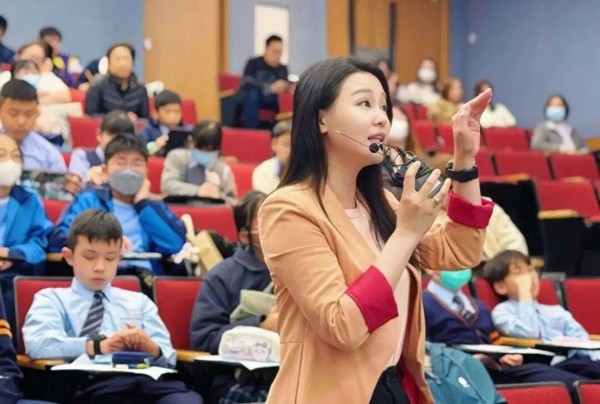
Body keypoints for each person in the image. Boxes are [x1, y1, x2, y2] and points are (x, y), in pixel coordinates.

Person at [257, 57, 495, 403]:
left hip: (393, 387)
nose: (382, 117)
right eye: (364, 103)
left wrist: (465, 160)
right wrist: (406, 234)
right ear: (321, 119)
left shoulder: (379, 202)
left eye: (384, 106)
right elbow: (342, 326)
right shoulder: (288, 210)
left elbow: (462, 250)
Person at [23, 209, 203, 403]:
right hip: (92, 385)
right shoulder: (52, 299)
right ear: (69, 256)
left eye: (110, 258)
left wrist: (150, 347)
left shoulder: (139, 301)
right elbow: (38, 344)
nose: (100, 267)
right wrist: (98, 346)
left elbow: (169, 357)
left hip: (146, 382)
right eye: (90, 257)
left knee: (187, 400)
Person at [423, 268, 587, 388]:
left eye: (462, 261)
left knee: (579, 380)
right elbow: (422, 350)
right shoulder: (419, 303)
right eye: (451, 261)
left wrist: (507, 356)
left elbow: (495, 341)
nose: (459, 267)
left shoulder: (479, 306)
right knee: (564, 384)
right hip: (457, 369)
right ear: (430, 268)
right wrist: (472, 359)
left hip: (499, 367)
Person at [49, 133, 186, 277]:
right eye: (120, 163)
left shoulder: (155, 206)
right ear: (106, 169)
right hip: (98, 274)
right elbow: (60, 238)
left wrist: (143, 204)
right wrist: (108, 242)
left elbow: (175, 245)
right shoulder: (89, 199)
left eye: (137, 164)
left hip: (144, 277)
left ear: (146, 171)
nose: (129, 170)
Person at [190, 191, 274, 402]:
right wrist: (261, 326)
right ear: (245, 237)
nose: (277, 227)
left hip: (294, 372)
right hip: (238, 378)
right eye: (266, 221)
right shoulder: (222, 276)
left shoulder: (299, 270)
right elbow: (204, 339)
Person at [482, 250, 600, 379]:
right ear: (501, 286)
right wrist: (524, 294)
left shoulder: (556, 311)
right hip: (546, 365)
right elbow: (529, 332)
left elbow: (584, 342)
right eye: (519, 273)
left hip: (580, 362)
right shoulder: (502, 312)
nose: (530, 277)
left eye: (531, 270)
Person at [0, 133, 53, 330]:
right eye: (2, 155)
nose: (9, 162)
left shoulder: (29, 200)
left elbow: (40, 241)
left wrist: (13, 254)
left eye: (15, 157)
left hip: (11, 272)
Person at [161, 120, 237, 202]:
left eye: (209, 150)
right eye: (201, 149)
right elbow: (167, 185)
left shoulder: (223, 169)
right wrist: (197, 190)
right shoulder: (177, 157)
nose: (205, 153)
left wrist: (217, 194)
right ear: (191, 141)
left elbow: (232, 200)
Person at [0, 79, 66, 171]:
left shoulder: (48, 154)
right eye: (14, 114)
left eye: (29, 115)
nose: (21, 121)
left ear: (37, 114)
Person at [434, 202, 528, 261]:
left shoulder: (490, 209)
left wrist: (501, 269)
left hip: (500, 273)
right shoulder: (430, 221)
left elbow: (517, 247)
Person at [68, 110, 135, 184]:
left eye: (122, 137)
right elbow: (74, 185)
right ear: (99, 134)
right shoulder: (81, 156)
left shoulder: (135, 163)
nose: (117, 141)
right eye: (112, 136)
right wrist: (88, 180)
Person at [85, 43, 149, 119]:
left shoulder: (140, 89)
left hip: (132, 126)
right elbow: (91, 115)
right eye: (117, 59)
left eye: (126, 59)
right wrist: (119, 118)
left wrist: (136, 119)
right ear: (109, 63)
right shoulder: (98, 85)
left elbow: (145, 119)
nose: (122, 64)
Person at [239, 35, 290, 128]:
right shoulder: (253, 63)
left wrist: (287, 87)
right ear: (266, 49)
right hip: (256, 97)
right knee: (251, 94)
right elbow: (246, 82)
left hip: (273, 100)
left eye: (280, 52)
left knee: (288, 99)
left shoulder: (283, 69)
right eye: (274, 51)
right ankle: (252, 132)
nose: (277, 55)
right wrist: (269, 88)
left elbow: (285, 86)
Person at [0, 41, 70, 105]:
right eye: (29, 56)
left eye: (37, 58)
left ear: (43, 62)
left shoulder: (48, 77)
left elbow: (66, 96)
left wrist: (36, 102)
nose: (31, 60)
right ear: (18, 56)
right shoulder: (5, 76)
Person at [252, 119, 291, 194]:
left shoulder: (309, 173)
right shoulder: (263, 171)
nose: (292, 151)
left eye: (297, 146)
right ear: (274, 144)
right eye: (287, 145)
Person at [139, 90, 183, 155]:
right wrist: (156, 146)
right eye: (168, 112)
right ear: (156, 114)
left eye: (177, 112)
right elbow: (140, 150)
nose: (173, 116)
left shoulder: (184, 129)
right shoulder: (148, 129)